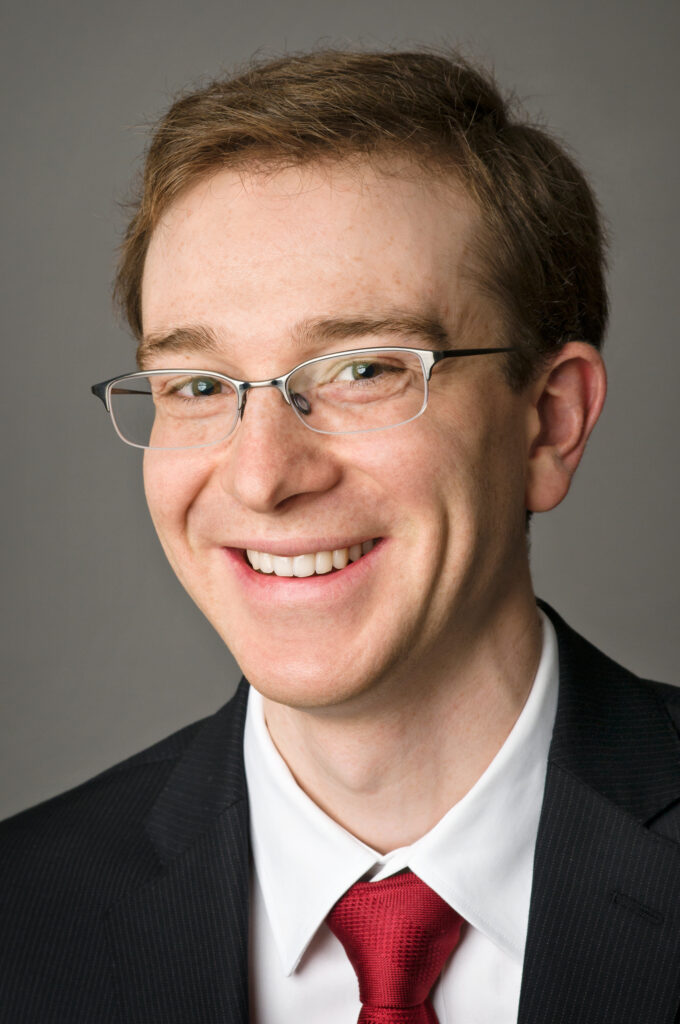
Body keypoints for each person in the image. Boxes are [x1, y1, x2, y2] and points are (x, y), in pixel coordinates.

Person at [1, 48, 679, 1024]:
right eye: (198, 386)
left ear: (547, 422)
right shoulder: (21, 919)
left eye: (363, 370)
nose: (263, 475)